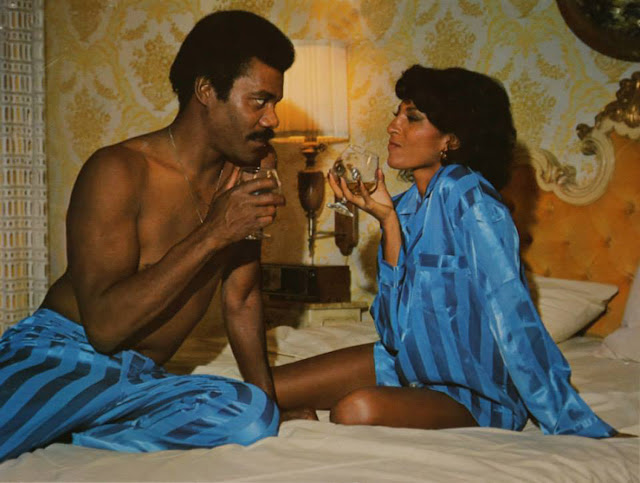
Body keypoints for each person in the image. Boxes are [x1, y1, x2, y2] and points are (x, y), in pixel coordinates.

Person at [0, 10, 298, 462]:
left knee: (249, 416)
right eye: (259, 101)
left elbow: (241, 298)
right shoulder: (118, 171)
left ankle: (71, 431)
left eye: (275, 103)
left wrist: (270, 406)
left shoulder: (248, 172)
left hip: (138, 378)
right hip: (62, 354)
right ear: (206, 91)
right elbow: (104, 330)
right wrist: (214, 232)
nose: (273, 119)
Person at [272, 65, 620, 438]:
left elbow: (514, 319)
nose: (392, 127)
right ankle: (288, 413)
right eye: (396, 115)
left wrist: (572, 421)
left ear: (451, 140)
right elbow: (393, 334)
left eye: (412, 118)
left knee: (355, 409)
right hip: (406, 366)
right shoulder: (402, 207)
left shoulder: (473, 201)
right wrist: (388, 222)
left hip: (474, 390)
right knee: (263, 387)